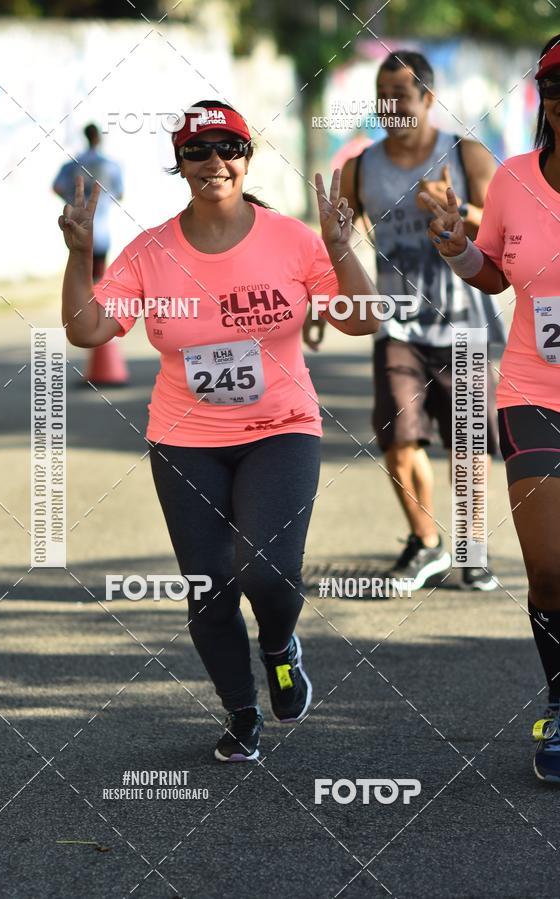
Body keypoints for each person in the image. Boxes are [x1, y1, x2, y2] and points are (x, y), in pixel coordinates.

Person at [58, 100, 380, 762]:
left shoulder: (291, 238)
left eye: (228, 147)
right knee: (209, 588)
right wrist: (75, 257)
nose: (214, 161)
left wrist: (341, 249)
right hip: (184, 440)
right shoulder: (152, 251)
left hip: (281, 429)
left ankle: (280, 646)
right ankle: (241, 713)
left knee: (266, 570)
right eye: (198, 150)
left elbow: (360, 318)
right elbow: (88, 330)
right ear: (179, 163)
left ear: (246, 157)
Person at [307, 50, 506, 591]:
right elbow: (338, 242)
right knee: (398, 434)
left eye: (402, 94)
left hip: (464, 320)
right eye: (383, 95)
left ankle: (472, 548)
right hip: (396, 323)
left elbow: (501, 229)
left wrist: (458, 210)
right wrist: (323, 301)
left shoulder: (466, 155)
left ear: (429, 100)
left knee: (468, 442)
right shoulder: (360, 168)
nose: (391, 105)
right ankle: (427, 543)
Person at [419, 35, 560, 781]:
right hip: (536, 394)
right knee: (547, 567)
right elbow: (496, 275)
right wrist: (454, 247)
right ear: (547, 100)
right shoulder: (513, 179)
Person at [53, 123, 124, 283]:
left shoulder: (71, 165)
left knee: (79, 278)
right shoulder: (111, 165)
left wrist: (71, 200)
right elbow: (120, 194)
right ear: (98, 138)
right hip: (101, 230)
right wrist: (104, 198)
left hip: (77, 228)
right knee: (98, 280)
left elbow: (57, 187)